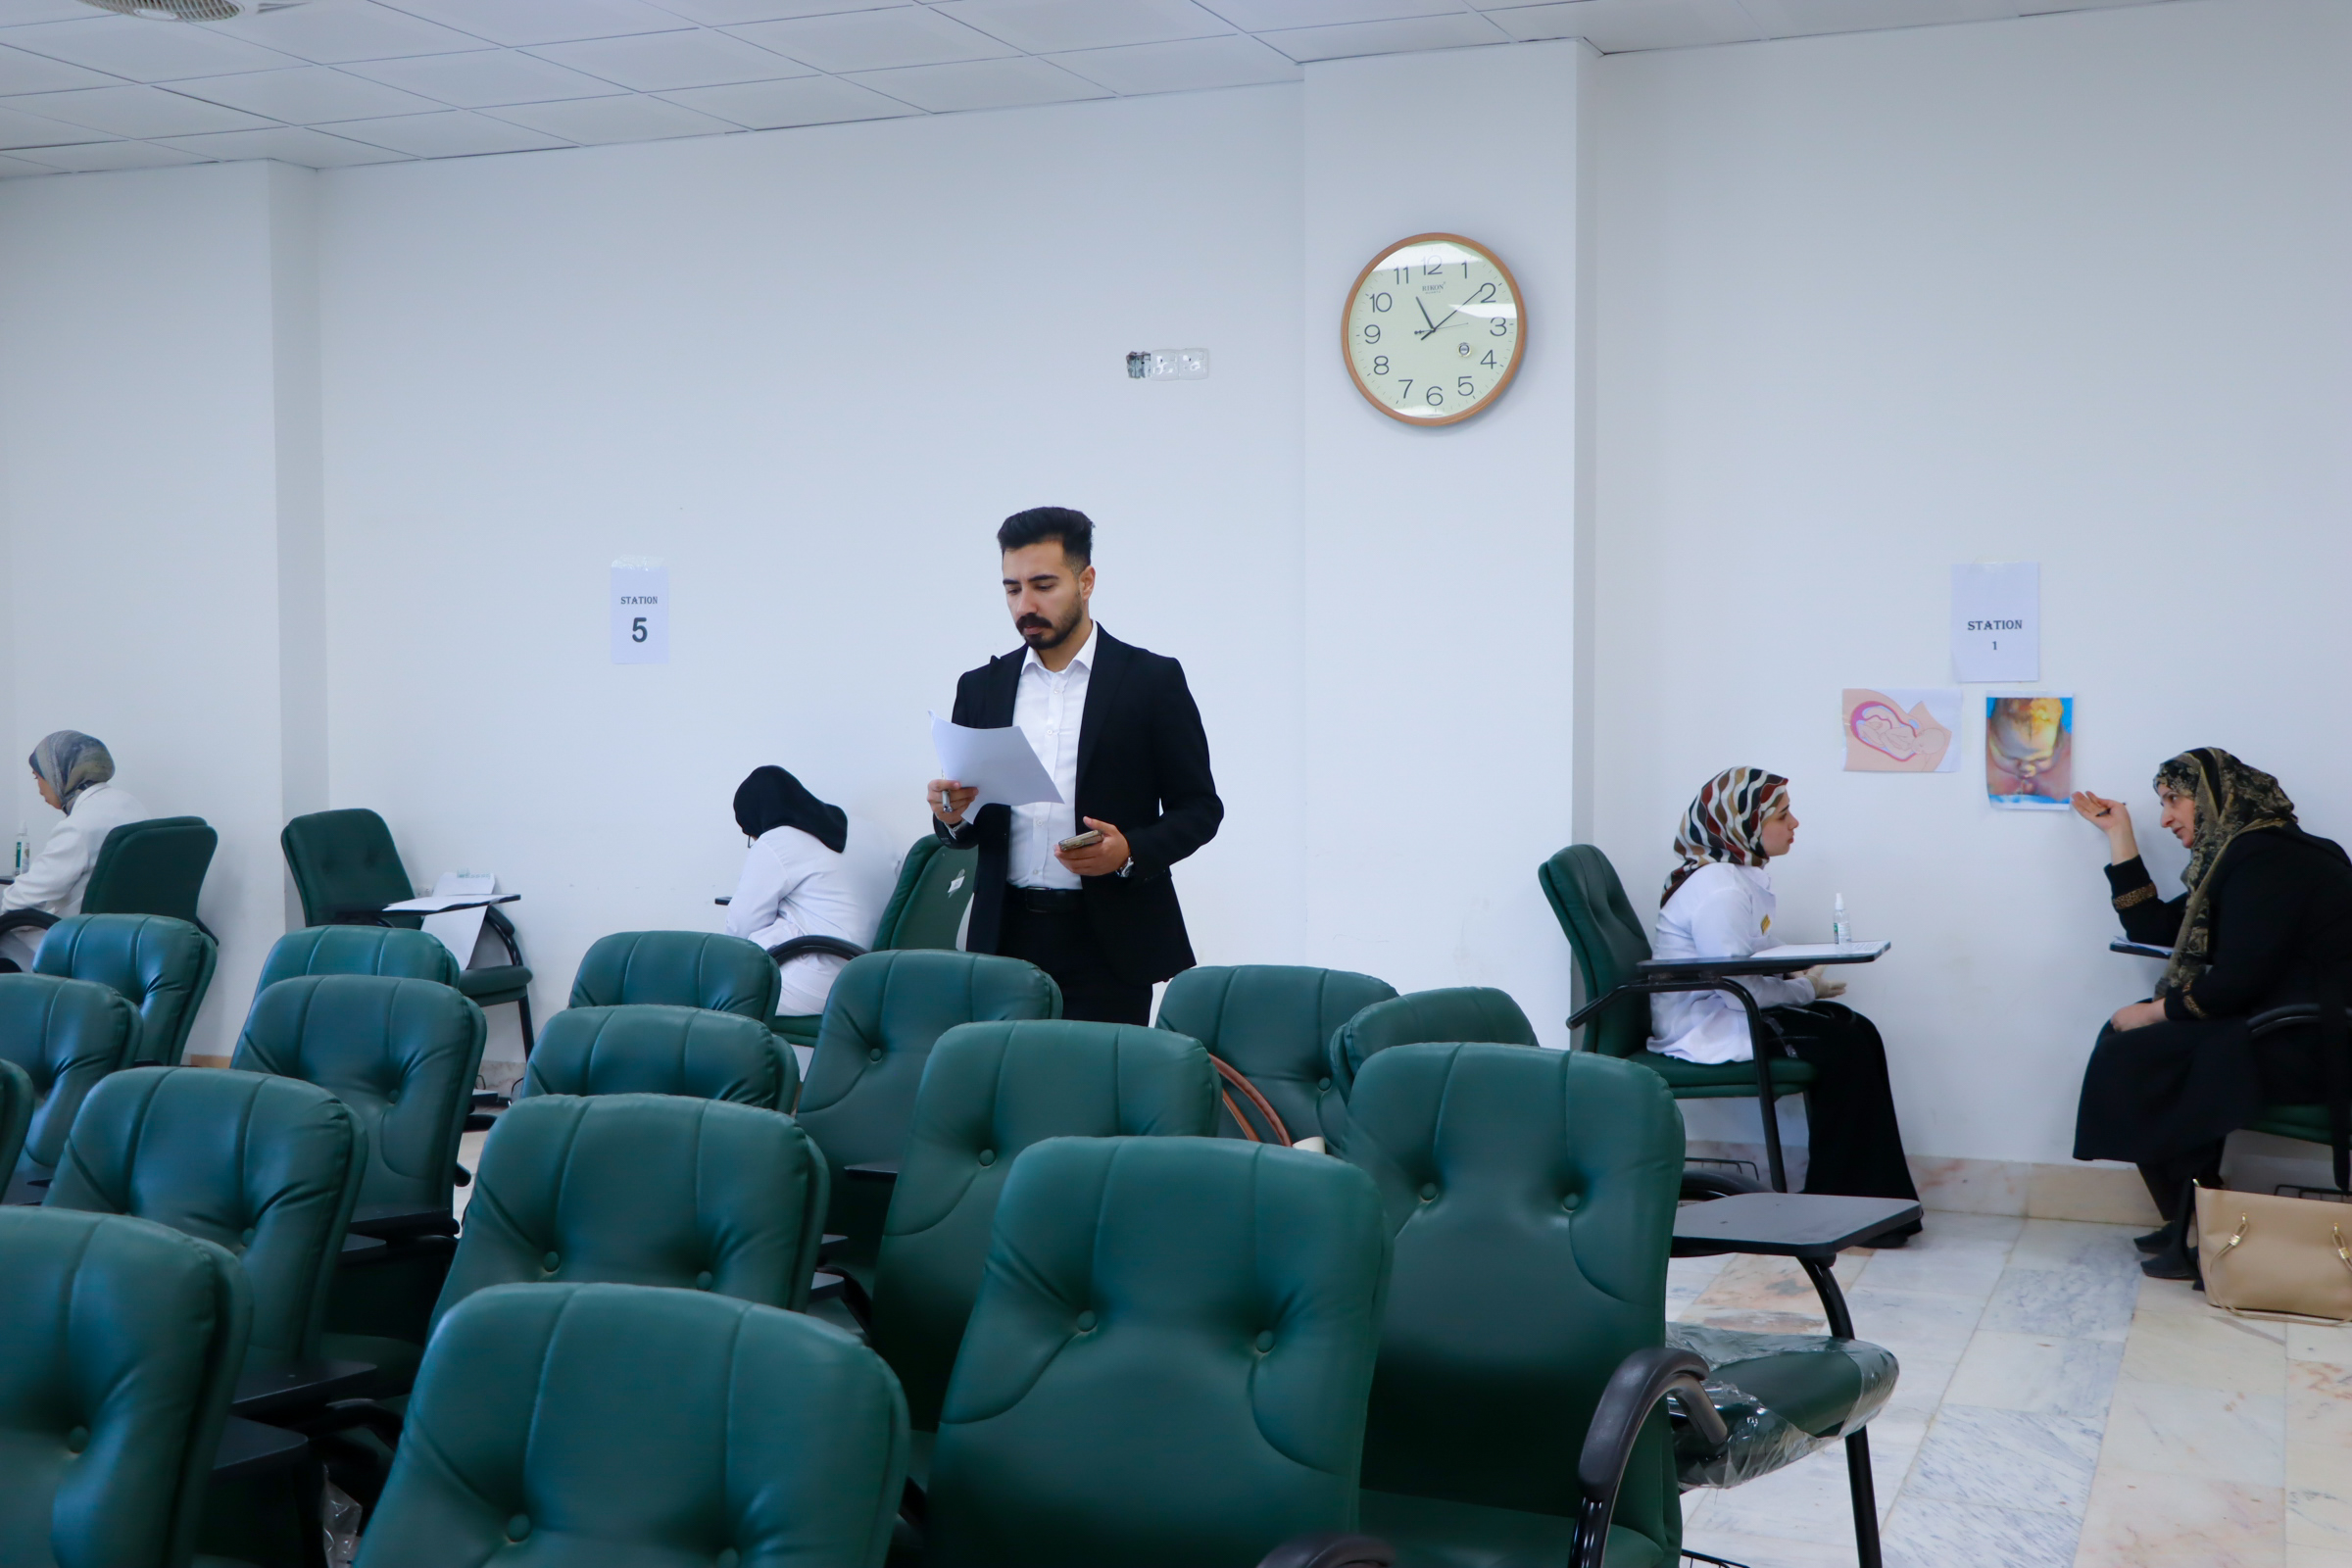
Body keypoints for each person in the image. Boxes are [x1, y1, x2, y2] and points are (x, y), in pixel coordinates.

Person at [925, 507, 1222, 1024]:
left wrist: (1129, 851)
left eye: (1043, 585)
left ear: (1086, 582)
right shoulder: (981, 688)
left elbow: (1199, 809)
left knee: (1099, 1076)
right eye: (1013, 589)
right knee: (1002, 1074)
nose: (1026, 605)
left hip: (1109, 942)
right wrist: (950, 815)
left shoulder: (1151, 681)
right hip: (1003, 937)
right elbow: (966, 826)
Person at [2071, 749, 2352, 1278]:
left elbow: (2241, 979)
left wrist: (2155, 1013)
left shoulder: (2272, 858)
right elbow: (2155, 929)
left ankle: (2197, 1225)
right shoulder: (2239, 857)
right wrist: (2119, 834)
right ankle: (2188, 1216)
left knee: (2134, 1053)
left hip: (2305, 1039)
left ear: (2214, 798)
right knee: (2126, 1041)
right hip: (2269, 1023)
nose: (2166, 818)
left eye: (2174, 800)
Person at [1650, 765, 1922, 1233]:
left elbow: (1746, 954)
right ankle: (1841, 1209)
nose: (1794, 823)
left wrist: (1797, 968)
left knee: (1855, 1030)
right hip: (1709, 1024)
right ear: (1743, 824)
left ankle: (1860, 1203)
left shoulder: (1733, 877)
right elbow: (1738, 990)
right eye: (1781, 815)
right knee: (1846, 1044)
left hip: (1726, 1007)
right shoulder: (1719, 890)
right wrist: (1806, 988)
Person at [723, 766, 891, 1017]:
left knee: (713, 986)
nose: (755, 840)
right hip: (876, 974)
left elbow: (740, 930)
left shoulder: (777, 841)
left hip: (821, 980)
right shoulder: (869, 832)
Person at [0, 731, 150, 973]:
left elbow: (22, 900)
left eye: (38, 777)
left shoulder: (80, 825)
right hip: (126, 938)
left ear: (59, 773)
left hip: (79, 942)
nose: (39, 789)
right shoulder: (129, 804)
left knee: (7, 927)